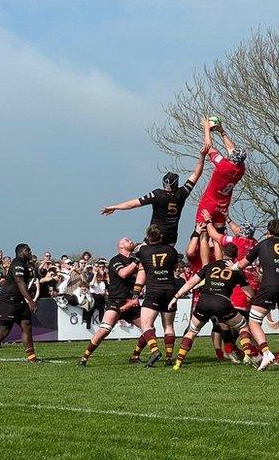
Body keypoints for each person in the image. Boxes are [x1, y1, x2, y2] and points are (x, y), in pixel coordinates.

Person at [101, 143, 209, 246]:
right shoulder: (182, 193)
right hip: (171, 237)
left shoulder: (157, 194)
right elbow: (196, 174)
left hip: (155, 235)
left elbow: (133, 204)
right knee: (166, 262)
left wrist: (115, 207)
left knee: (144, 257)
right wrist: (202, 156)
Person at [170, 243, 256, 369]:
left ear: (222, 253)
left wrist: (175, 297)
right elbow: (250, 293)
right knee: (243, 326)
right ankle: (248, 355)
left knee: (192, 331)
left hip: (204, 301)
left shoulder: (210, 266)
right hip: (222, 302)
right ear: (235, 256)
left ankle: (178, 362)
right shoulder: (236, 270)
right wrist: (252, 299)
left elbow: (191, 282)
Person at [235, 218, 279, 371]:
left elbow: (242, 265)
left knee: (254, 321)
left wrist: (232, 266)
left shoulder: (262, 244)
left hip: (270, 285)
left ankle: (266, 352)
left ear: (268, 231)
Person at [78, 238, 151, 366]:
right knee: (104, 330)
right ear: (121, 246)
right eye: (127, 240)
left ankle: (135, 356)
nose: (131, 241)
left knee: (149, 330)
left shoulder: (135, 261)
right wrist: (136, 260)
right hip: (116, 301)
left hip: (130, 302)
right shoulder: (116, 260)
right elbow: (123, 274)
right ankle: (84, 358)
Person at [0, 244, 41, 363]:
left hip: (19, 301)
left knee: (27, 325)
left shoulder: (25, 264)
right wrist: (30, 300)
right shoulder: (18, 263)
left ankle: (31, 357)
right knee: (5, 331)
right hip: (8, 301)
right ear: (21, 252)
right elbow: (19, 281)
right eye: (27, 250)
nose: (30, 252)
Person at [134, 225, 178, 367]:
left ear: (148, 237)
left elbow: (138, 258)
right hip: (170, 289)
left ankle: (155, 351)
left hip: (154, 290)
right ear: (161, 237)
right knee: (169, 326)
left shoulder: (143, 251)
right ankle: (169, 357)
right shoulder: (172, 251)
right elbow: (174, 268)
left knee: (146, 325)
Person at [195, 118, 247, 229]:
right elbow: (231, 148)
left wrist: (206, 129)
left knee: (201, 231)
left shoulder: (224, 165)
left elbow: (209, 147)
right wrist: (222, 131)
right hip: (223, 205)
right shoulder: (241, 168)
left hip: (210, 202)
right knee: (219, 234)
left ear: (232, 158)